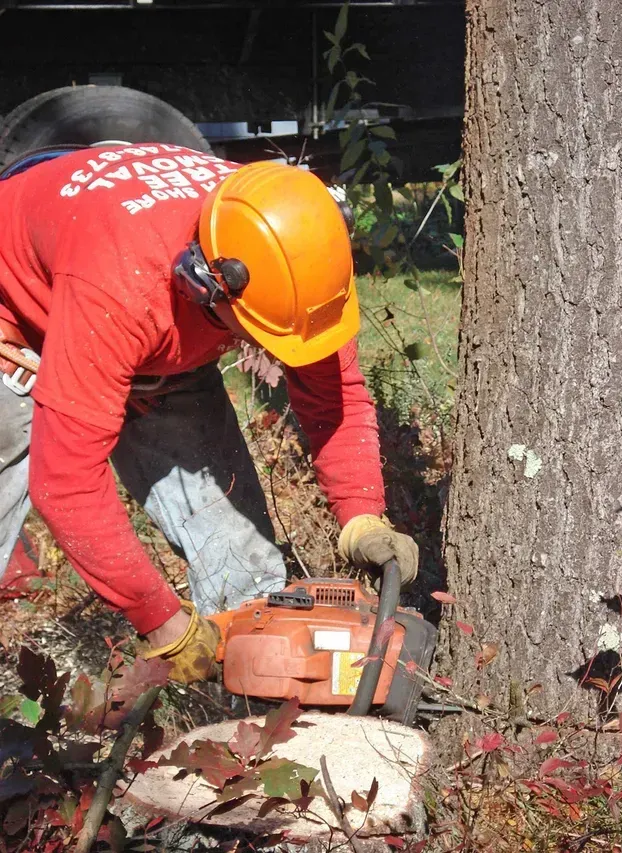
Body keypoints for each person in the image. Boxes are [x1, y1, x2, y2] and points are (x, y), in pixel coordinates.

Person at [0, 143, 419, 683]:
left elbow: (333, 390)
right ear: (206, 284)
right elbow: (66, 483)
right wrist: (161, 622)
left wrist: (361, 513)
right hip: (25, 310)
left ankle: (254, 717)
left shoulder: (295, 245)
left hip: (150, 327)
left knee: (245, 575)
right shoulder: (124, 284)